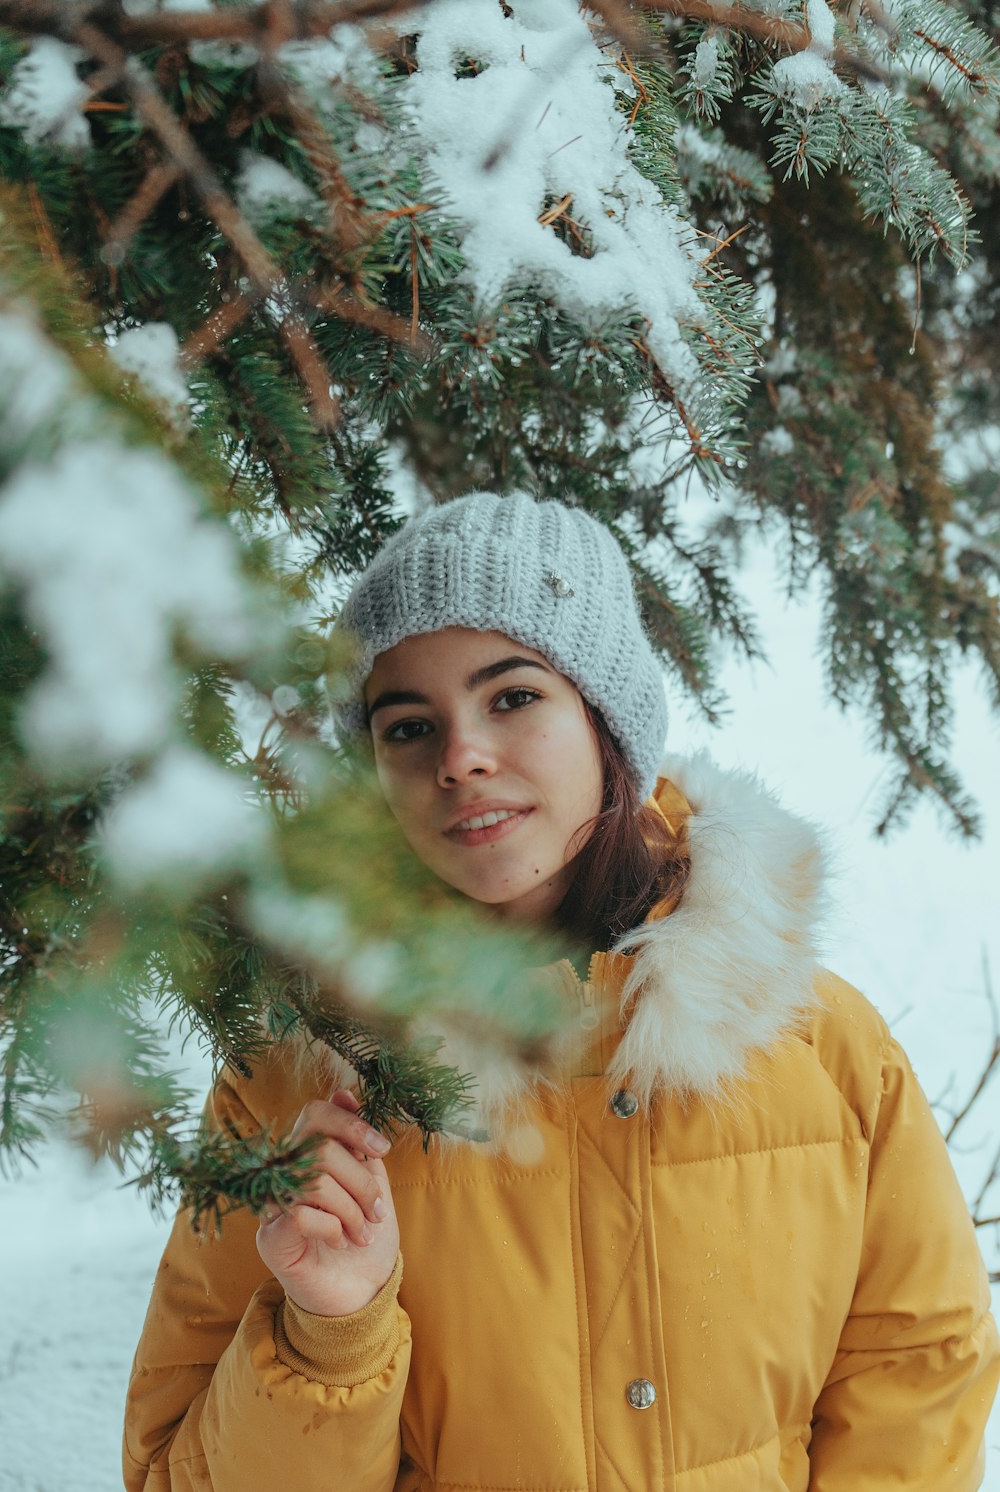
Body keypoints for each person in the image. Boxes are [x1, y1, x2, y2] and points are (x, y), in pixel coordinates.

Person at [123, 492, 999, 1492]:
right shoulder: (297, 1090)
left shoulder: (820, 1048)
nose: (461, 759)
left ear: (606, 719)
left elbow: (916, 1374)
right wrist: (327, 1333)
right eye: (407, 727)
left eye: (513, 697)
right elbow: (171, 1472)